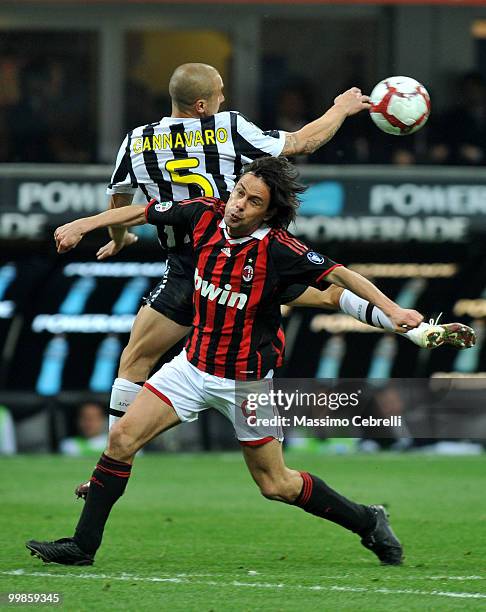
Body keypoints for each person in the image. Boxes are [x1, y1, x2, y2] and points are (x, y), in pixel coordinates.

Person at [27, 156, 428, 567]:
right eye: (239, 192)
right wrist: (83, 225)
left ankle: (368, 521)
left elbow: (341, 276)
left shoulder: (279, 249)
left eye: (253, 201)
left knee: (276, 484)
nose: (238, 204)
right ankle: (82, 546)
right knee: (121, 439)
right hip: (191, 368)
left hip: (247, 384)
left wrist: (393, 310)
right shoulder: (203, 214)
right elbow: (140, 211)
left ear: (269, 212)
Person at [79, 62, 476, 451]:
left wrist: (120, 237)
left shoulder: (136, 141)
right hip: (251, 256)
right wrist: (341, 107)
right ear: (202, 105)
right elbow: (302, 142)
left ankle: (115, 453)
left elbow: (121, 200)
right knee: (330, 293)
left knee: (135, 360)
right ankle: (417, 330)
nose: (224, 97)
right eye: (218, 92)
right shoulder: (228, 127)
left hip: (189, 268)